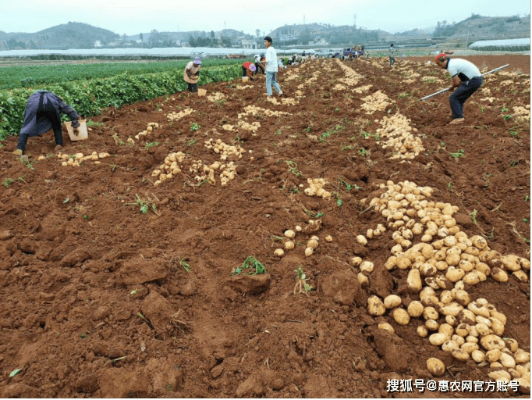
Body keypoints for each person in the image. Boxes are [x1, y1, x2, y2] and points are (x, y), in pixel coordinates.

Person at [13, 90, 80, 155]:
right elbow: (67, 108)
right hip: (51, 104)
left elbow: (27, 116)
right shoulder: (54, 97)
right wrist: (75, 118)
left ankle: (20, 149)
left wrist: (28, 123)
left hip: (34, 105)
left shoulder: (32, 99)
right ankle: (59, 144)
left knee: (27, 126)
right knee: (56, 124)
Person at [434, 53, 483, 125]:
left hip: (473, 80)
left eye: (440, 64)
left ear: (444, 60)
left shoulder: (451, 66)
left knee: (453, 98)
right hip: (476, 80)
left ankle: (458, 117)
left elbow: (456, 83)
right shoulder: (453, 62)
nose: (441, 67)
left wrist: (452, 87)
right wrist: (457, 86)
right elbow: (460, 81)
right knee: (460, 98)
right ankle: (456, 114)